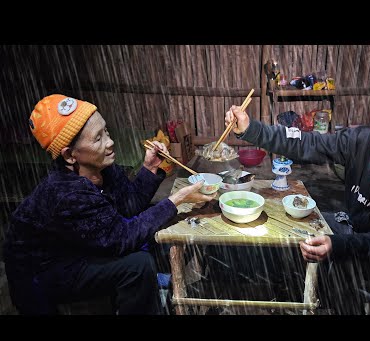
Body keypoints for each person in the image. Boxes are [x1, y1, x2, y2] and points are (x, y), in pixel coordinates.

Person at [225, 77, 370, 314]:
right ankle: (286, 294)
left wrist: (337, 245)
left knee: (343, 293)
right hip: (348, 227)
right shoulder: (365, 141)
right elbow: (308, 144)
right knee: (286, 233)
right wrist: (251, 129)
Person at [3, 94, 216, 315]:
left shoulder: (102, 167)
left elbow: (129, 205)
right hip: (44, 271)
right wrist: (176, 200)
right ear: (69, 155)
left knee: (151, 232)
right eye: (98, 138)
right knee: (138, 265)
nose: (110, 142)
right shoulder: (66, 193)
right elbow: (121, 238)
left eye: (106, 131)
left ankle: (153, 296)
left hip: (78, 246)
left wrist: (150, 168)